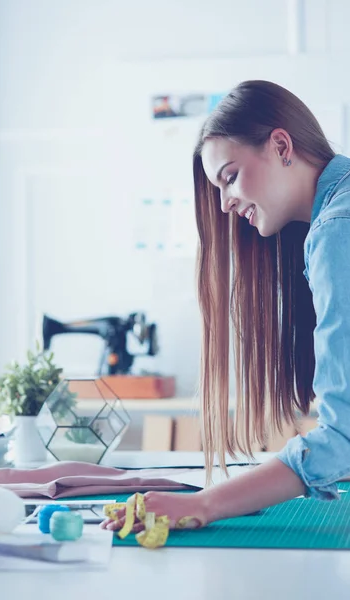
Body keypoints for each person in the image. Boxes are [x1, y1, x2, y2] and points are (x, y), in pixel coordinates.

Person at [102, 80, 350, 532]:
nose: (224, 202)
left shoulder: (337, 230)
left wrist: (205, 504)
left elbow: (341, 440)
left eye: (230, 176)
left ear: (280, 145)